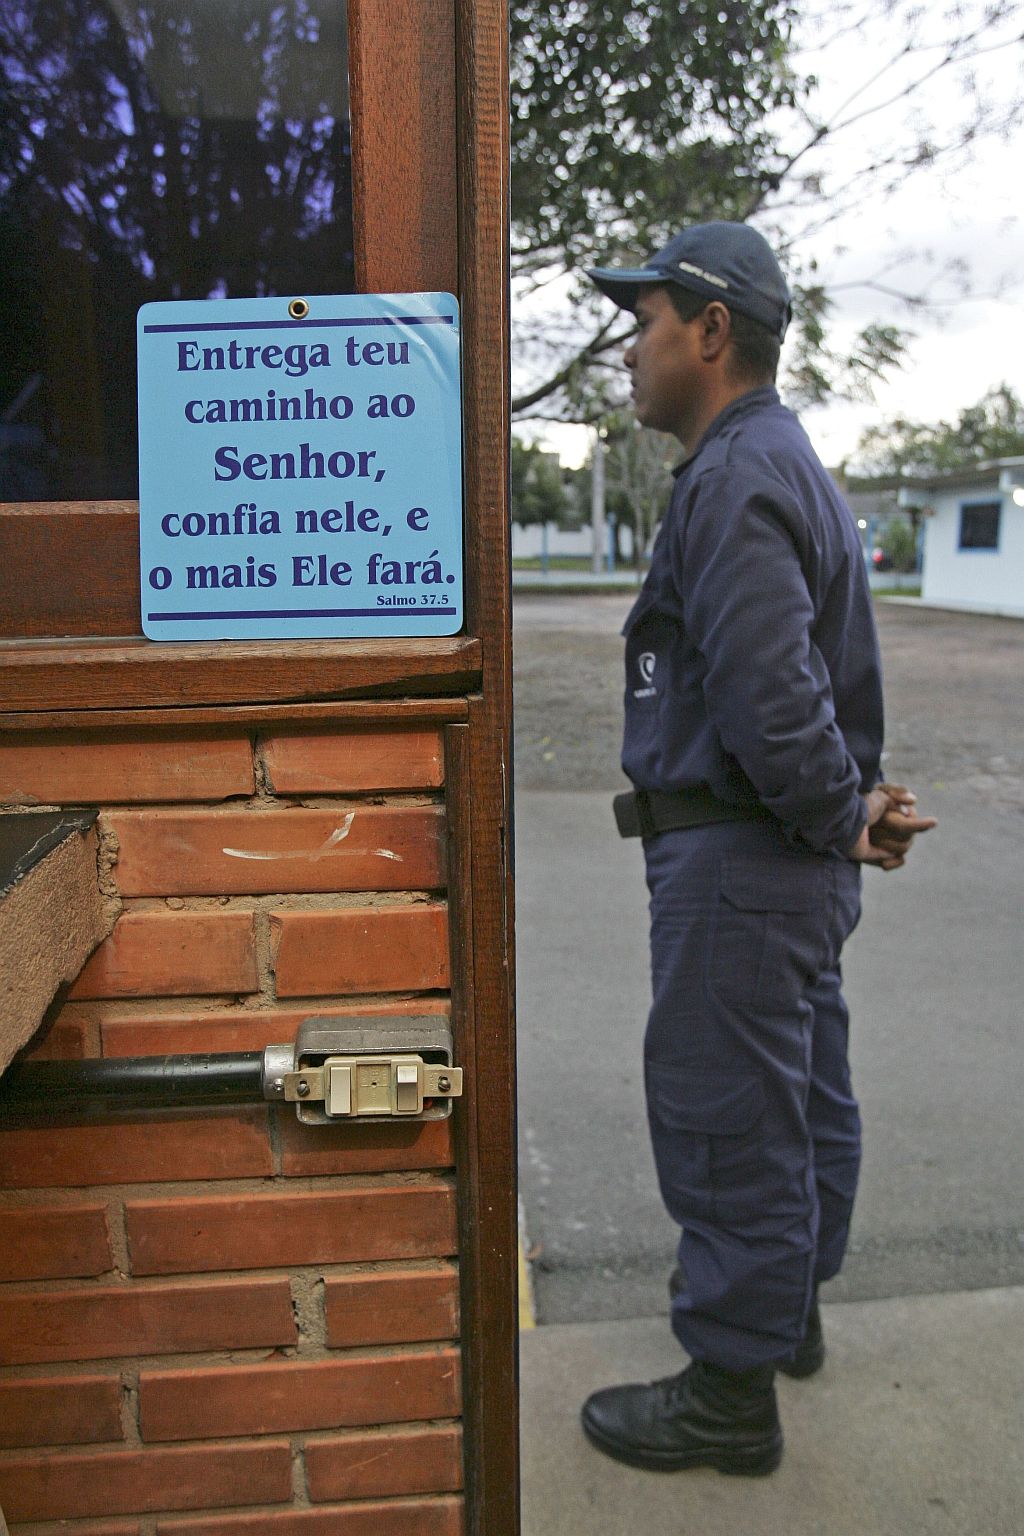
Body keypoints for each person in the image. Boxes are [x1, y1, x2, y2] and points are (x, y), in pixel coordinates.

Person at [578, 221, 936, 1475]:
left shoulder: (735, 474)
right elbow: (805, 695)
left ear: (711, 331)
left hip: (740, 862)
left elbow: (771, 695)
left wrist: (837, 807)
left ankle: (730, 1390)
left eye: (646, 319)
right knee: (798, 1096)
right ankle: (786, 1319)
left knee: (728, 1114)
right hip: (781, 859)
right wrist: (846, 809)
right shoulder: (786, 462)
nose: (630, 347)